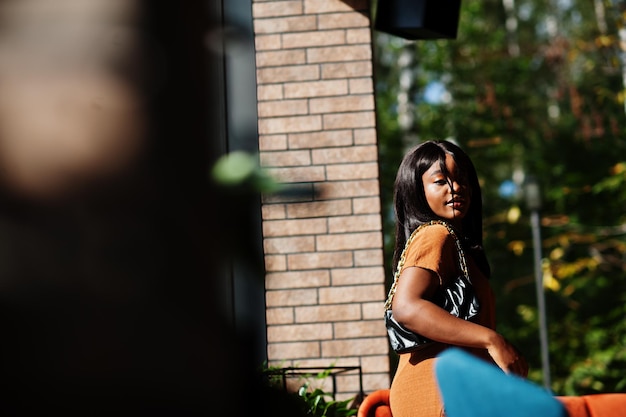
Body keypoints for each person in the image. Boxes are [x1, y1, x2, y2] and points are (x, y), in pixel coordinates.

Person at [387, 140, 528, 417]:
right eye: (441, 181)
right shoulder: (435, 235)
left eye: (462, 179)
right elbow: (406, 307)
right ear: (417, 191)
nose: (456, 188)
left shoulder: (456, 244)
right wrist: (493, 341)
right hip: (439, 395)